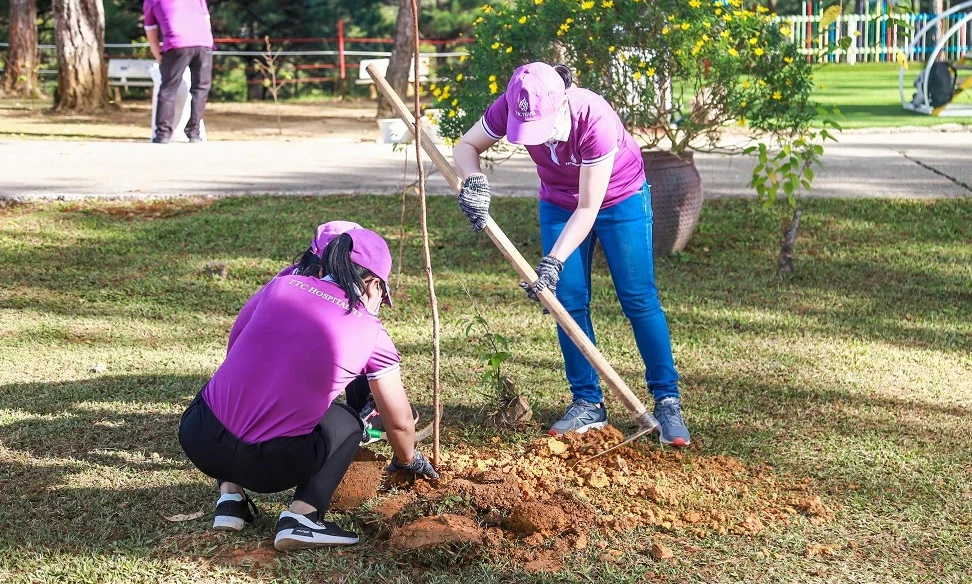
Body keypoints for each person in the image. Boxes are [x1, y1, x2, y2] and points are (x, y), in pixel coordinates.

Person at [452, 62, 691, 446]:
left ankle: (667, 400)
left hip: (618, 199)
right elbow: (466, 146)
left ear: (560, 103)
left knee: (638, 298)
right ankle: (587, 402)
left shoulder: (594, 117)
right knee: (568, 299)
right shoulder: (514, 102)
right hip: (559, 202)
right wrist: (473, 179)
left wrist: (552, 261)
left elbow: (589, 207)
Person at [178, 222, 437, 551]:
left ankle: (230, 499)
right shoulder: (371, 332)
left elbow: (236, 346)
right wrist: (407, 459)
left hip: (199, 439)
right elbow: (398, 420)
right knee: (345, 420)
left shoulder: (281, 286)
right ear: (373, 283)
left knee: (231, 389)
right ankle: (303, 516)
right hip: (270, 469)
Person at [142, 0, 214, 143]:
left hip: (177, 43)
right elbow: (207, 22)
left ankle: (163, 133)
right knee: (200, 88)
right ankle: (194, 132)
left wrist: (159, 56)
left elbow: (151, 34)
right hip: (204, 42)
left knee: (168, 88)